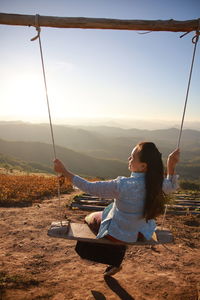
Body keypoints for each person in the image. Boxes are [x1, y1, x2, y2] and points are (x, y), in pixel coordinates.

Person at [54, 142, 180, 276]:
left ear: (143, 166)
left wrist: (64, 171)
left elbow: (89, 187)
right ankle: (114, 261)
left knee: (91, 218)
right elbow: (172, 186)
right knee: (113, 220)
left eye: (132, 157)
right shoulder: (157, 183)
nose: (129, 159)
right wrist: (171, 164)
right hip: (141, 233)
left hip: (119, 233)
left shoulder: (122, 185)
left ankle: (107, 258)